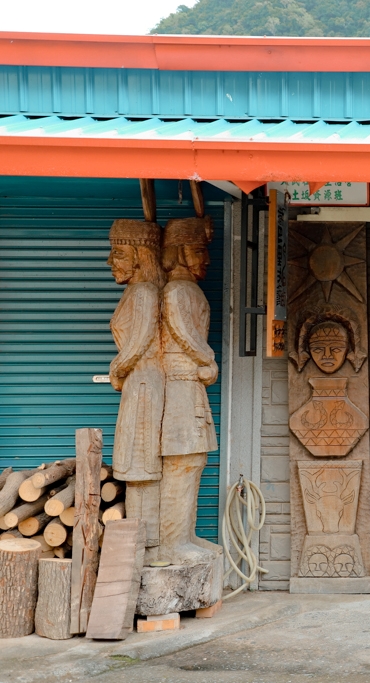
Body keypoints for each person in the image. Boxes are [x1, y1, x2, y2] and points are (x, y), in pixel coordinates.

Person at [158, 217, 219, 565]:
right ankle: (171, 541)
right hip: (180, 384)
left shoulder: (188, 290)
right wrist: (207, 358)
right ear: (179, 253)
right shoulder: (176, 291)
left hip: (191, 382)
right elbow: (183, 332)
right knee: (182, 460)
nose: (206, 260)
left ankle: (186, 533)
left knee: (194, 459)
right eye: (198, 251)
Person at [107, 219, 165, 548]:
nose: (109, 262)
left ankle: (145, 538)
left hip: (143, 381)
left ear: (140, 256)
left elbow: (140, 339)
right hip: (138, 381)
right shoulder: (136, 291)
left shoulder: (144, 292)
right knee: (134, 456)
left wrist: (118, 367)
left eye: (117, 253)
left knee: (140, 458)